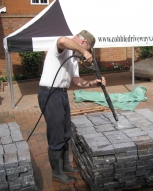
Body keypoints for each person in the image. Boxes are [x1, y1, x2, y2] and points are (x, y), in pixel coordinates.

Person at [38, 30, 106, 184]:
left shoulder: (73, 58)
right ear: (84, 43)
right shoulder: (63, 48)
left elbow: (76, 81)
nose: (86, 54)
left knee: (65, 131)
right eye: (88, 49)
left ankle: (65, 165)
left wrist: (92, 83)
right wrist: (83, 52)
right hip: (49, 93)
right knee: (56, 132)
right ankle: (57, 172)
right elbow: (61, 39)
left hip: (61, 93)